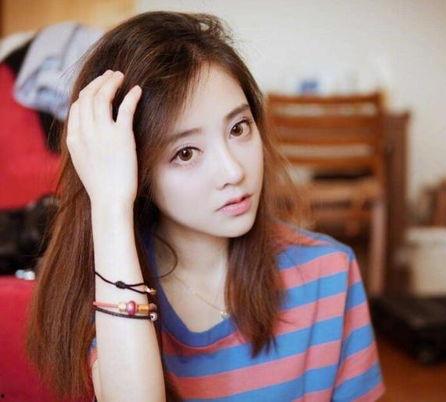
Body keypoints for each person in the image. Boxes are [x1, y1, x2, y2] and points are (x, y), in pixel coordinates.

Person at [26, 11, 385, 402]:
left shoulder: (330, 272)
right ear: (135, 169)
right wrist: (110, 204)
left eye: (238, 128)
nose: (233, 171)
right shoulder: (110, 277)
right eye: (186, 153)